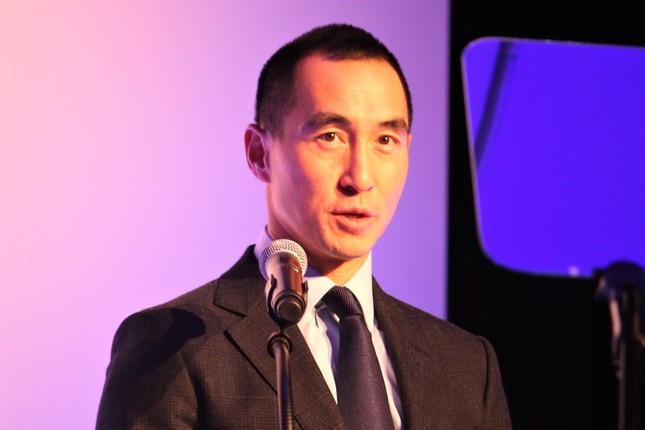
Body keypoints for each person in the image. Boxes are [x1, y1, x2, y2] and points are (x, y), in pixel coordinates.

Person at [96, 23, 512, 429]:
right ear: (259, 154)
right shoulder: (173, 347)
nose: (360, 177)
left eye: (386, 141)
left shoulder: (466, 364)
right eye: (330, 136)